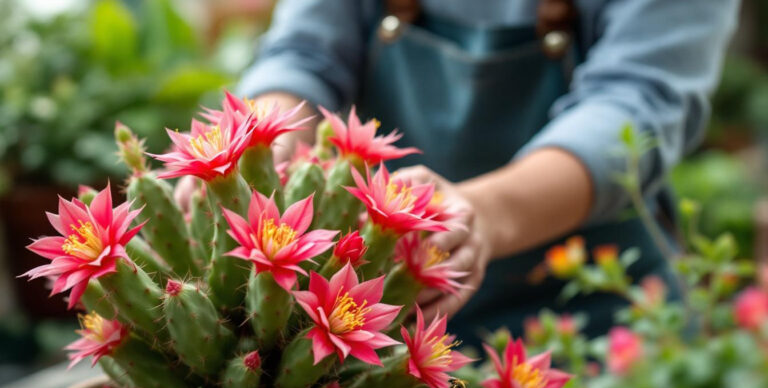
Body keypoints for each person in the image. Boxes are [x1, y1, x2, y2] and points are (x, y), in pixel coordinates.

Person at [229, 0, 738, 345]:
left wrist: (484, 217)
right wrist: (249, 151)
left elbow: (637, 103)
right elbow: (304, 54)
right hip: (382, 310)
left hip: (597, 319)